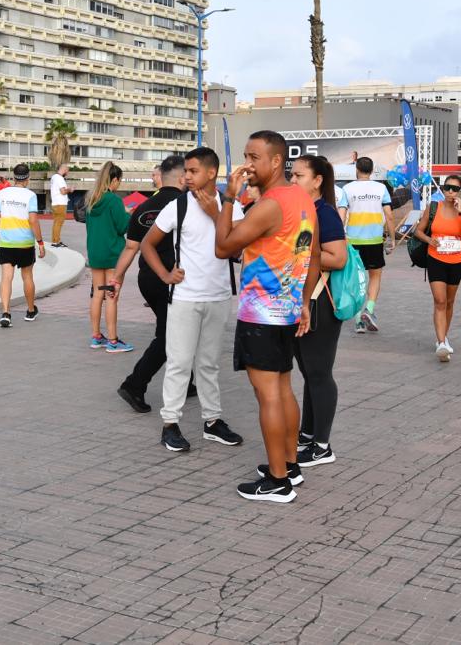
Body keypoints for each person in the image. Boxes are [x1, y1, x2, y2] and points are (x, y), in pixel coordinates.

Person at [215, 130, 320, 504]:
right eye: (246, 155)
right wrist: (305, 302)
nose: (247, 164)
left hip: (261, 314)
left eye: (254, 157)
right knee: (284, 388)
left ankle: (278, 482)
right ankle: (290, 465)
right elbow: (315, 255)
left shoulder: (270, 204)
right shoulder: (303, 200)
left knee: (269, 396)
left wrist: (228, 199)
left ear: (276, 161)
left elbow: (223, 246)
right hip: (288, 310)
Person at [139, 148, 245, 453]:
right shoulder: (177, 206)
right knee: (179, 363)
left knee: (209, 364)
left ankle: (213, 422)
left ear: (211, 173)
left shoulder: (231, 207)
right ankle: (170, 424)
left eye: (193, 171)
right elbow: (148, 244)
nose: (186, 176)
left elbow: (238, 248)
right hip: (185, 296)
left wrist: (217, 212)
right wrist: (164, 274)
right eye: (186, 171)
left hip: (219, 294)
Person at [110, 155, 185, 413]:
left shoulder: (144, 208)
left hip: (147, 280)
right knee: (168, 335)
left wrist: (117, 278)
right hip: (170, 279)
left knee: (179, 328)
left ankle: (190, 382)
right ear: (182, 177)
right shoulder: (183, 205)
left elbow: (131, 248)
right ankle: (135, 384)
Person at [289, 154, 347, 469]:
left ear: (317, 180)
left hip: (320, 301)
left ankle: (322, 445)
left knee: (320, 373)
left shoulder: (324, 213)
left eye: (298, 176)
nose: (293, 181)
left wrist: (294, 254)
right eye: (292, 175)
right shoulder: (302, 211)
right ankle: (308, 434)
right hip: (303, 299)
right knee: (309, 372)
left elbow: (337, 258)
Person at [410, 172, 461, 361]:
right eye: (447, 188)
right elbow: (418, 231)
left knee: (449, 302)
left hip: (456, 262)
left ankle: (444, 337)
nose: (450, 192)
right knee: (439, 301)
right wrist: (430, 240)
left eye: (455, 189)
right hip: (436, 259)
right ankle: (441, 342)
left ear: (460, 191)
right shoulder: (433, 207)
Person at [342, 156, 396, 333]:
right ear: (372, 170)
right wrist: (392, 239)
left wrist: (340, 237)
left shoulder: (347, 189)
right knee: (375, 276)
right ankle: (369, 309)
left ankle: (358, 321)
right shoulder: (381, 188)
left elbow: (341, 215)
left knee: (356, 279)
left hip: (352, 240)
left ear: (356, 169)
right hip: (374, 240)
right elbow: (389, 215)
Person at [85, 161, 133, 352]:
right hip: (113, 255)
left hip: (96, 253)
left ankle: (96, 336)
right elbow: (122, 227)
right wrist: (127, 214)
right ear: (114, 180)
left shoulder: (92, 199)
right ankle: (113, 341)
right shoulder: (113, 200)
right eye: (118, 182)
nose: (118, 185)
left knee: (98, 293)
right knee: (111, 295)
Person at [0, 163, 45, 326]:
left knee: (6, 277)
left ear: (14, 177)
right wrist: (40, 242)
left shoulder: (2, 193)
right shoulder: (30, 196)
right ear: (28, 178)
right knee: (27, 277)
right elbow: (33, 220)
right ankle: (30, 311)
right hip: (25, 244)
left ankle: (6, 313)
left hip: (6, 242)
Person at [49, 164, 71, 247]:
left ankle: (56, 240)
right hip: (60, 204)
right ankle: (56, 242)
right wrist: (70, 189)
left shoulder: (54, 177)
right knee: (59, 223)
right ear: (64, 169)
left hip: (56, 203)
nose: (67, 173)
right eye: (67, 171)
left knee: (56, 223)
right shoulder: (60, 178)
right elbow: (63, 191)